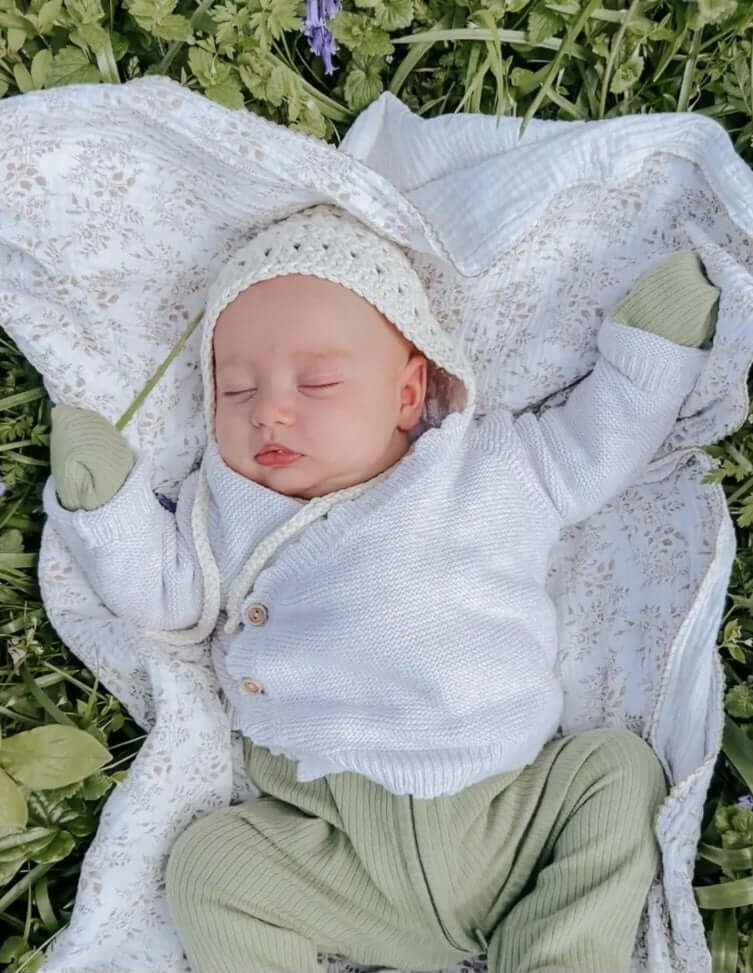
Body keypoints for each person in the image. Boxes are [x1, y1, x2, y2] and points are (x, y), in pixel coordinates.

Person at [44, 203, 720, 973]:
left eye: (319, 380)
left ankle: (553, 958)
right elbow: (162, 593)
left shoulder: (485, 473)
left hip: (507, 814)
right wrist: (106, 504)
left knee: (616, 773)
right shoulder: (229, 515)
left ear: (406, 395)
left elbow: (595, 445)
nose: (269, 407)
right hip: (331, 841)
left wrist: (645, 356)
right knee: (211, 864)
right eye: (234, 391)